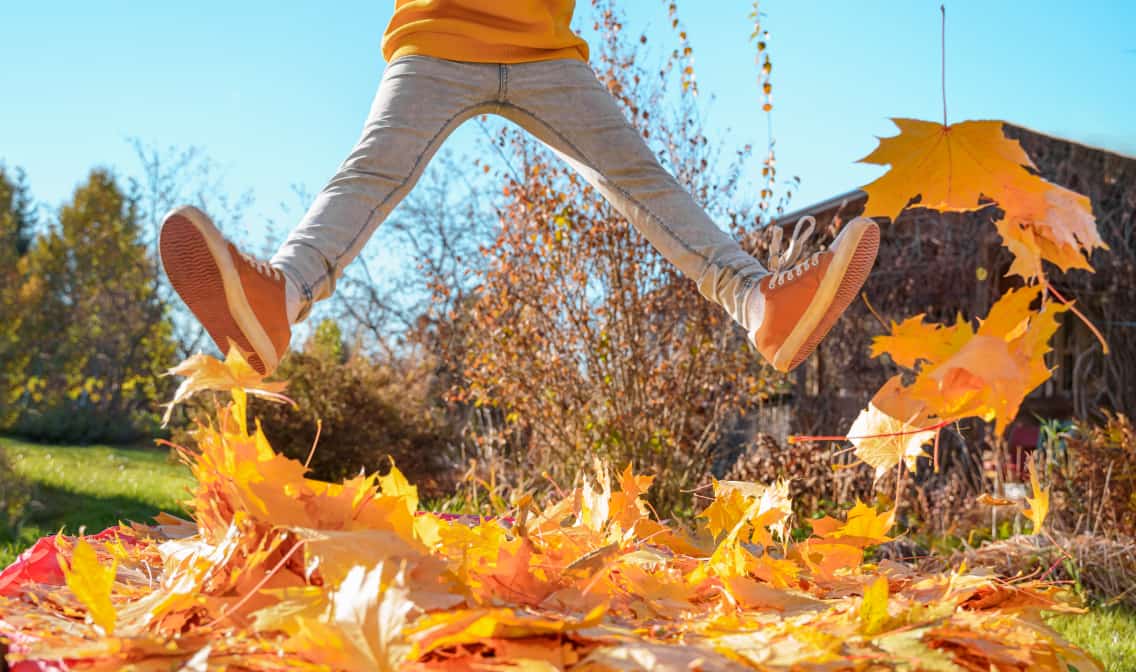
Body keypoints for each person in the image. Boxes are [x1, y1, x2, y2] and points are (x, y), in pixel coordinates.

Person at [159, 0, 879, 377]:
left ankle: (763, 305)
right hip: (436, 35)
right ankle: (275, 302)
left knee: (639, 177)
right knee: (373, 167)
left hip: (546, 55)